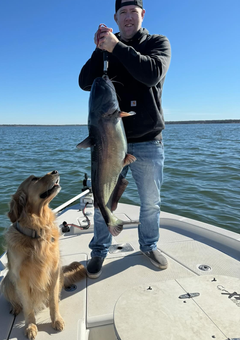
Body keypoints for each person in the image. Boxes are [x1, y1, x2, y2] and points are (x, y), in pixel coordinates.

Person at [79, 0, 171, 278]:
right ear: (116, 18)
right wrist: (100, 50)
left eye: (134, 12)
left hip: (148, 140)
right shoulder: (108, 50)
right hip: (108, 144)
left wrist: (116, 46)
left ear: (142, 15)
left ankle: (149, 245)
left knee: (151, 202)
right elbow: (85, 82)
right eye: (123, 13)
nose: (128, 17)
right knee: (100, 199)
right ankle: (98, 251)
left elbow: (151, 74)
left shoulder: (157, 43)